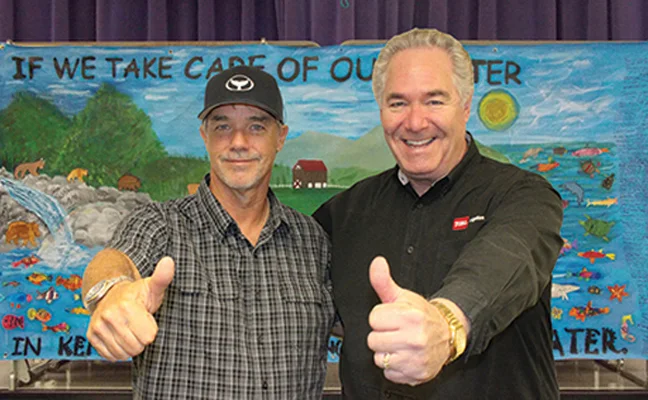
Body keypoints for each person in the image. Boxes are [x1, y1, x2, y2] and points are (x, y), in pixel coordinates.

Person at [313, 28, 563, 399]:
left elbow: (506, 257)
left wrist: (447, 325)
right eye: (398, 103)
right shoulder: (343, 214)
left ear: (465, 106)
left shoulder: (524, 197)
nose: (415, 122)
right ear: (381, 111)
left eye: (434, 101)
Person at [82, 66, 335, 400]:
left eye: (256, 126)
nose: (238, 142)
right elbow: (114, 261)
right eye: (222, 127)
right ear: (205, 136)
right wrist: (112, 292)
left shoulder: (313, 241)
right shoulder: (160, 224)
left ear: (281, 137)